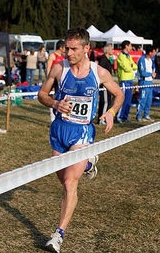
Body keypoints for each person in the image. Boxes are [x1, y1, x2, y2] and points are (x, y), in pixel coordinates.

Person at [38, 27, 124, 253]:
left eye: (74, 48)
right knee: (63, 180)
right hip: (59, 131)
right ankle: (88, 163)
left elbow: (119, 94)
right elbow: (42, 95)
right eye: (67, 47)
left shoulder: (99, 72)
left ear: (86, 48)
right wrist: (55, 104)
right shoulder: (59, 69)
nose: (68, 52)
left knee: (69, 182)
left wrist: (111, 113)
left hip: (82, 132)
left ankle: (58, 234)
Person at [117, 40, 138, 123]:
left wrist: (131, 65)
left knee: (128, 100)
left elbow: (135, 66)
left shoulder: (128, 56)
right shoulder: (121, 56)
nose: (131, 47)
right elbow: (126, 68)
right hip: (124, 81)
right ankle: (119, 116)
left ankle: (125, 116)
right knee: (122, 99)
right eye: (130, 45)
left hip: (130, 80)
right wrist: (131, 66)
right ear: (126, 46)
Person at [46, 40, 66, 122]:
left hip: (61, 80)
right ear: (60, 47)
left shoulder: (63, 57)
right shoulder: (53, 55)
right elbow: (48, 68)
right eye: (64, 47)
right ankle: (52, 117)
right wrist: (49, 80)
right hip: (53, 80)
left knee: (60, 97)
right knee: (53, 98)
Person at [136, 45, 156, 122]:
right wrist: (150, 74)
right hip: (143, 82)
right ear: (150, 52)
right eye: (153, 52)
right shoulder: (142, 60)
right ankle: (138, 116)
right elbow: (142, 73)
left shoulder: (150, 60)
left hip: (150, 82)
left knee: (149, 99)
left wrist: (153, 74)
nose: (154, 53)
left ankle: (146, 115)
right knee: (142, 99)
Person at [97, 43, 114, 125]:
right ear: (107, 50)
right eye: (111, 49)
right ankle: (101, 119)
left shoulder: (108, 59)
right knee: (105, 102)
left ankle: (103, 117)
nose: (113, 50)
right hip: (103, 84)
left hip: (108, 84)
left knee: (107, 101)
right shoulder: (103, 60)